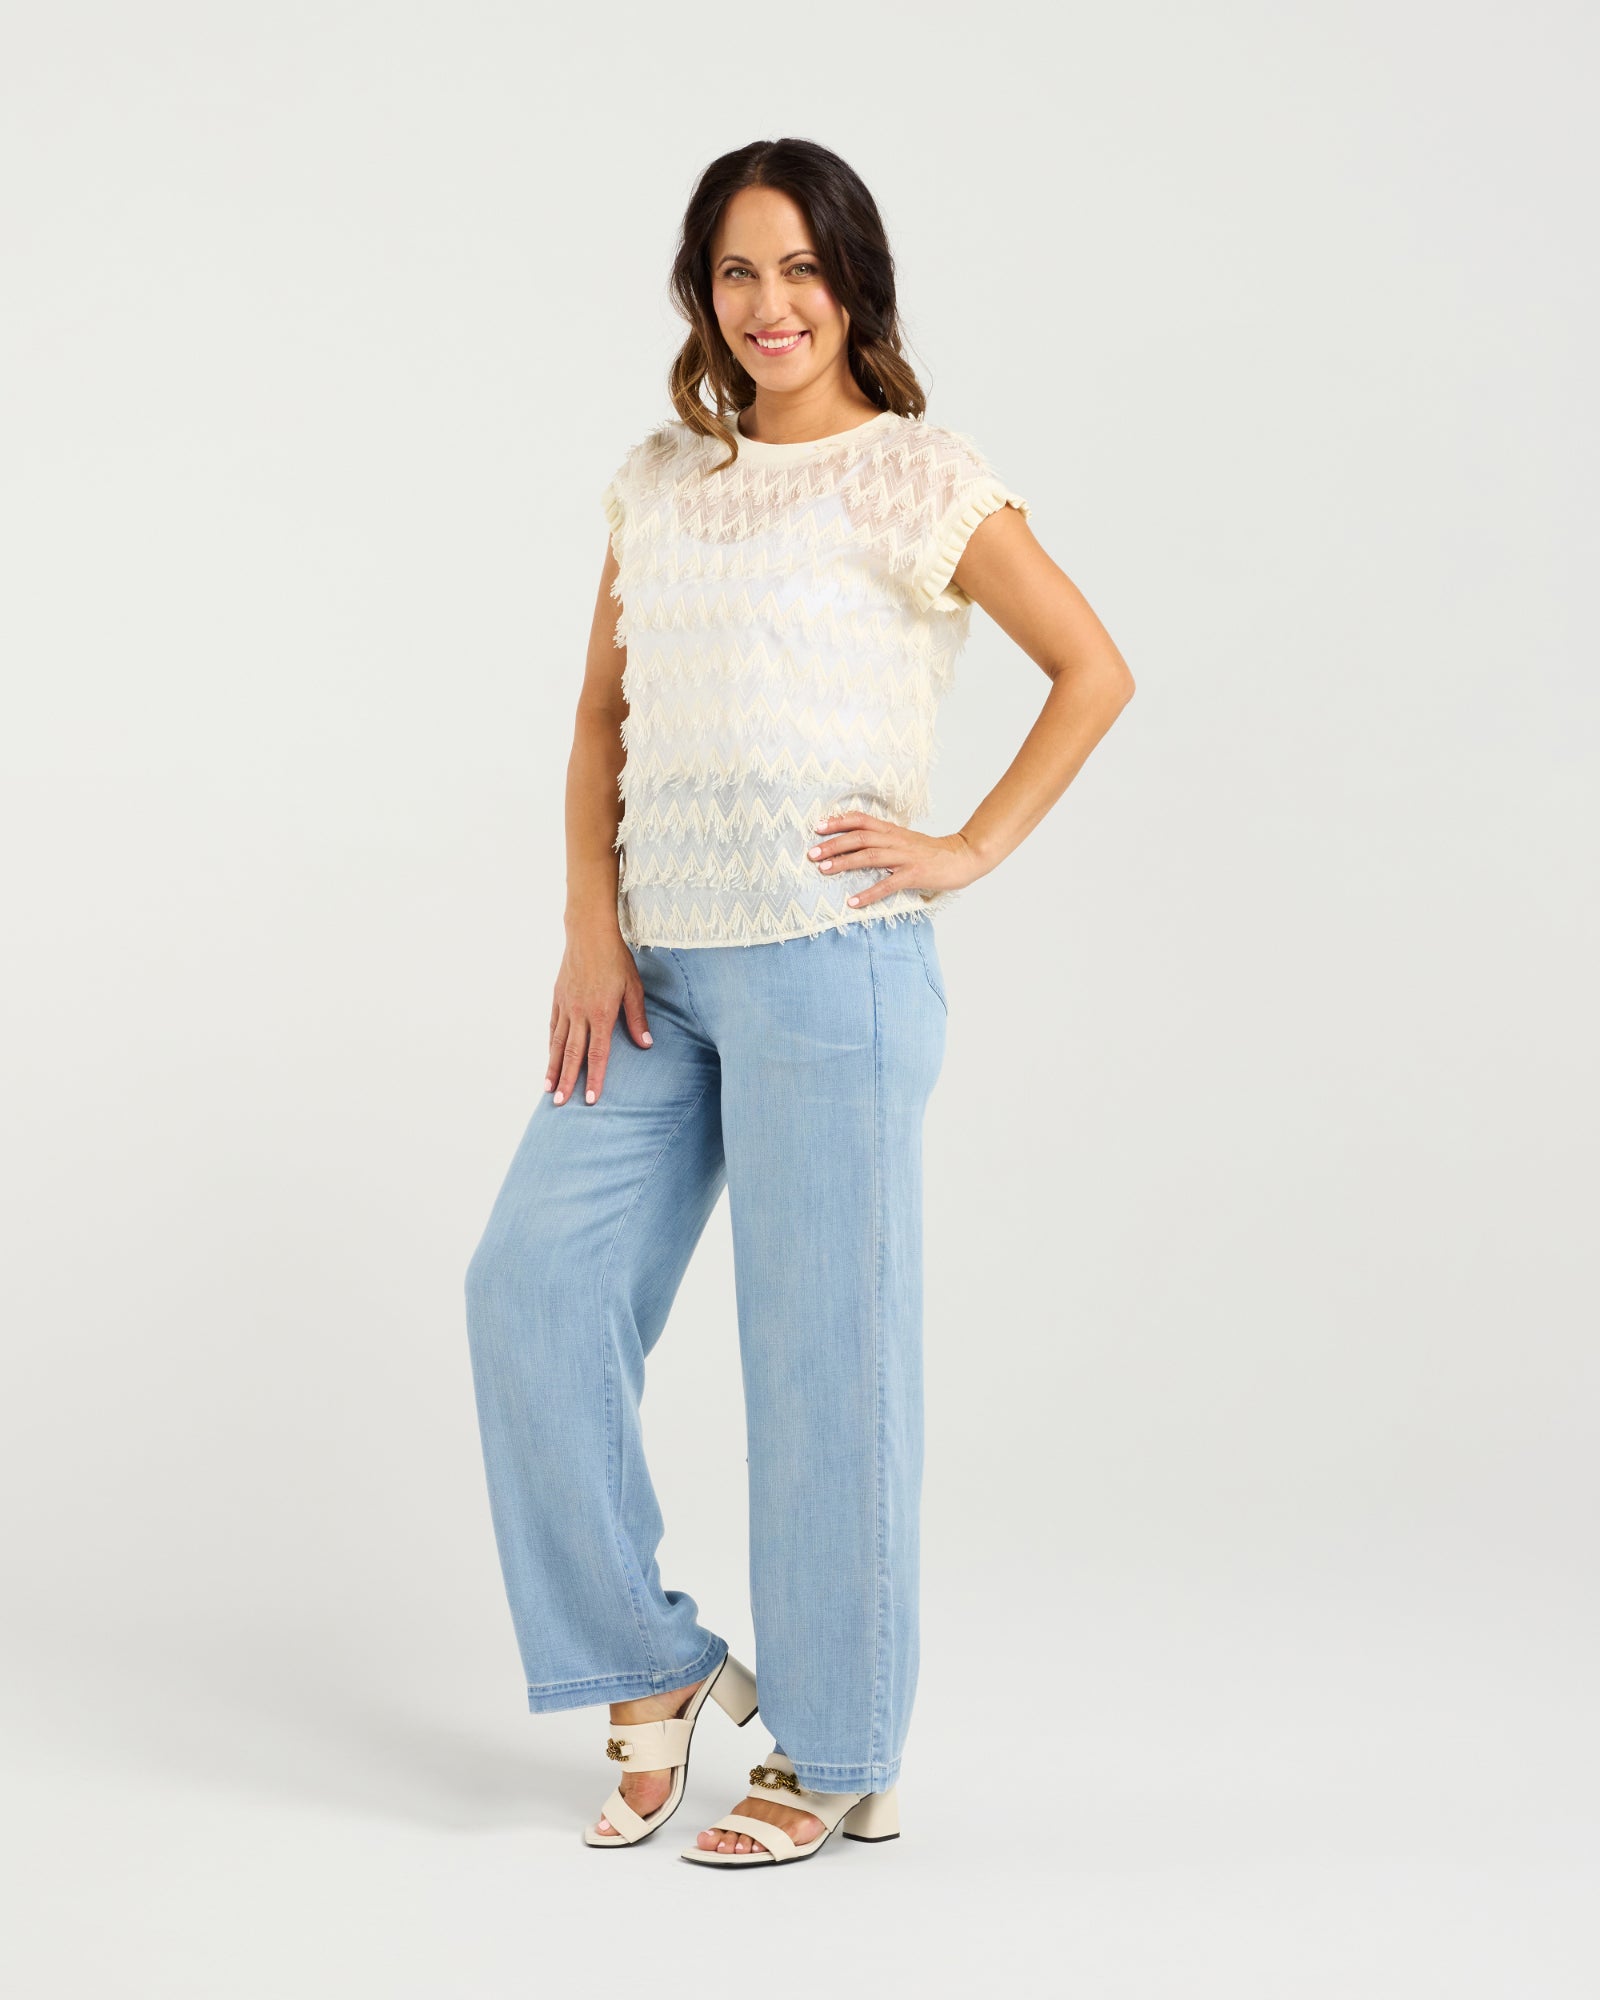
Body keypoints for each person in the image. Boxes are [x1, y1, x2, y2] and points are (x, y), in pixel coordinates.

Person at [464, 136, 1135, 1869]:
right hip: (654, 975)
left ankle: (838, 1749)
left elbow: (1092, 668)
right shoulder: (660, 481)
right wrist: (590, 923)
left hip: (832, 968)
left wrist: (966, 848)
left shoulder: (920, 478)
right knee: (529, 1287)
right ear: (702, 293)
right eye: (737, 273)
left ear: (855, 285)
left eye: (803, 270)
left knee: (823, 1364)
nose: (771, 306)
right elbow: (602, 721)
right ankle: (651, 1661)